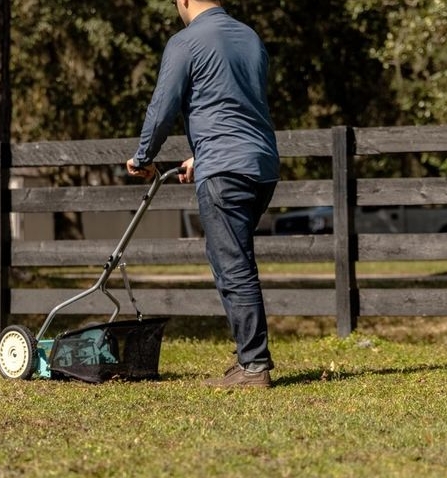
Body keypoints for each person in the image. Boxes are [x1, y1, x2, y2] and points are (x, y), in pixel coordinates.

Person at [126, 0, 280, 388]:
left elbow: (163, 107)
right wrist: (201, 153)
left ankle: (254, 366)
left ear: (183, 1)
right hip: (261, 165)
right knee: (233, 255)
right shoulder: (249, 37)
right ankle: (248, 358)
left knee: (233, 263)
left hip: (226, 167)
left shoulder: (186, 41)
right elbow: (240, 105)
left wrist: (144, 156)